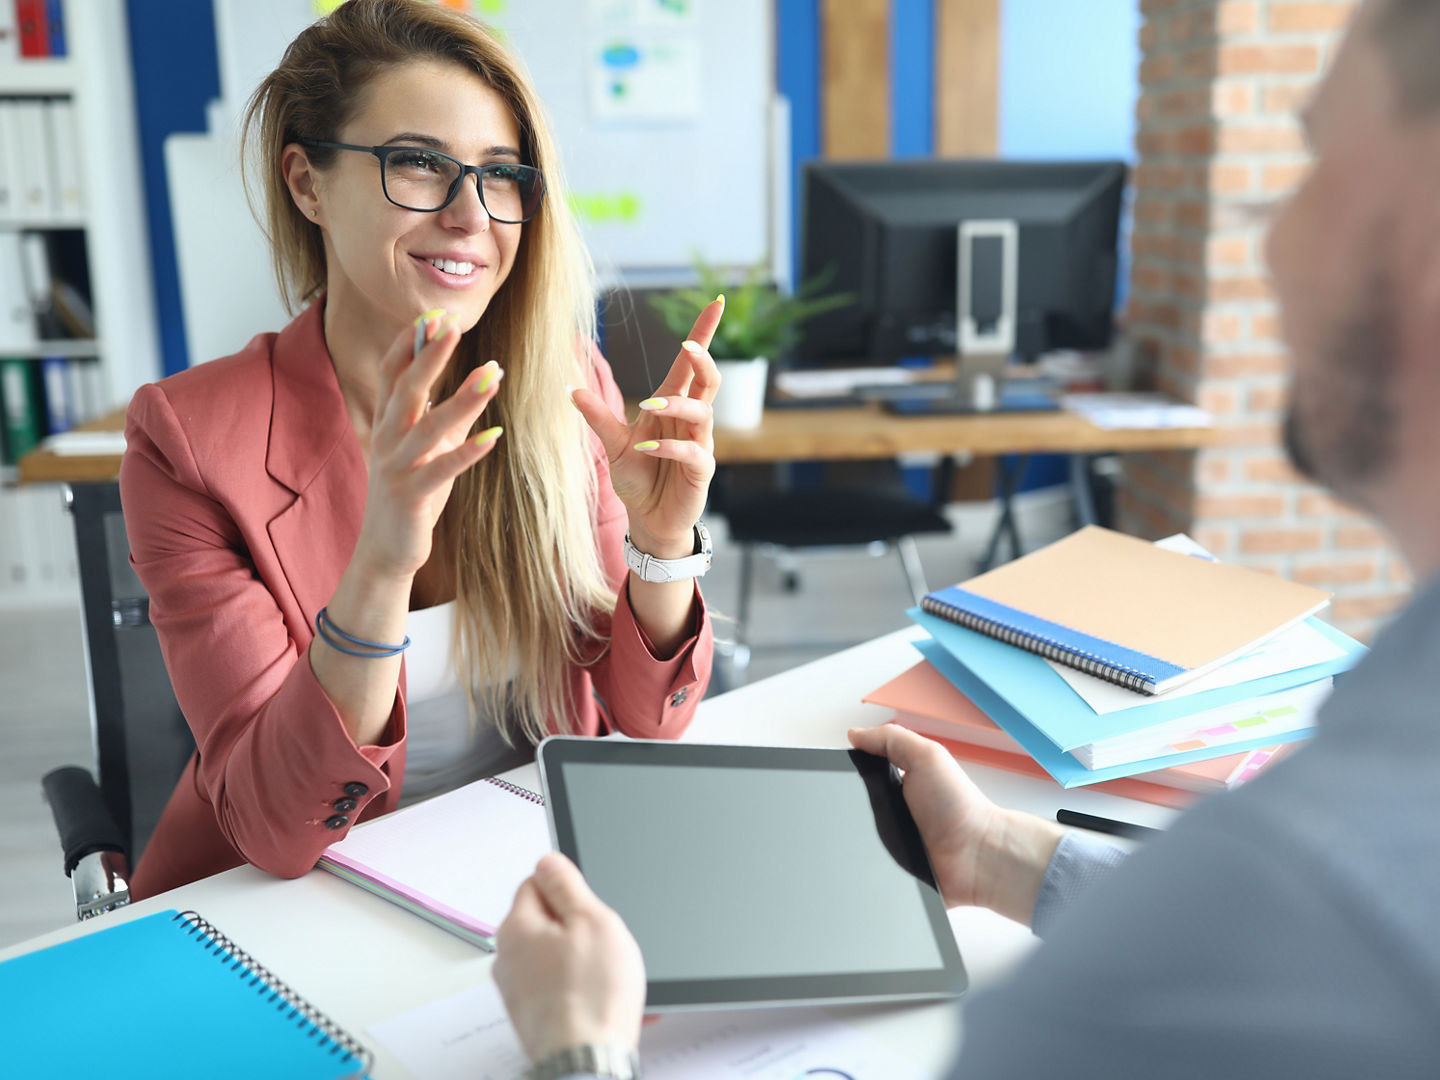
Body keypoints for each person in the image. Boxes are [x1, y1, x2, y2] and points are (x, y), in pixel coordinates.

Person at [491, 1, 1440, 1076]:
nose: (1266, 239)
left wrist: (576, 1049)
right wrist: (1000, 855)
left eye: (1312, 167)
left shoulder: (1287, 898)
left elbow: (1271, 942)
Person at [118, 0, 721, 900]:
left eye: (501, 174)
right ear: (307, 183)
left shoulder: (560, 381)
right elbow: (279, 830)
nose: (471, 213)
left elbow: (647, 721)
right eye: (418, 164)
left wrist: (663, 549)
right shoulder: (189, 441)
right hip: (304, 905)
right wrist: (383, 563)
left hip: (533, 876)